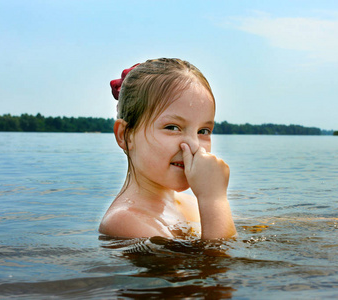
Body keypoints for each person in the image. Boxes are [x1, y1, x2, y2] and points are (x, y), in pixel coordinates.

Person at [99, 58, 236, 240]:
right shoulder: (125, 221)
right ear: (125, 135)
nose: (194, 145)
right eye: (172, 127)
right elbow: (219, 265)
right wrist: (215, 200)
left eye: (203, 131)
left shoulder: (193, 204)